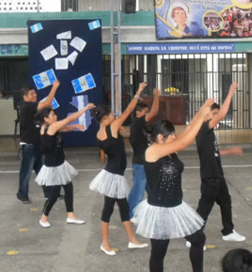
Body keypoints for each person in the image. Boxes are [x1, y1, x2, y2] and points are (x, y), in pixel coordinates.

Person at [133, 99, 215, 272]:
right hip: (159, 209)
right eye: (171, 135)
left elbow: (185, 135)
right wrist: (201, 116)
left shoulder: (169, 149)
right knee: (159, 251)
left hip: (176, 206)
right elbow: (184, 142)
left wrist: (199, 113)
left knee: (198, 239)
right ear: (161, 137)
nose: (175, 137)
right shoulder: (153, 151)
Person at [89, 82, 149, 256]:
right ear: (106, 118)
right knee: (108, 209)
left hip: (112, 173)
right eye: (112, 114)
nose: (115, 116)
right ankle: (105, 243)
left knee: (123, 207)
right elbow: (129, 109)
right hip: (114, 176)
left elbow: (114, 145)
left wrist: (119, 131)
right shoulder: (113, 127)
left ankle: (132, 240)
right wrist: (138, 91)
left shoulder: (101, 132)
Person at [193, 82, 246, 245]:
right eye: (213, 113)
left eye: (216, 113)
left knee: (226, 201)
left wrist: (231, 151)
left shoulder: (208, 133)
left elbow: (213, 153)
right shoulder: (203, 128)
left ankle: (228, 231)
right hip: (210, 177)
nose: (216, 116)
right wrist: (230, 93)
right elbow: (222, 114)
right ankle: (193, 237)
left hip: (218, 175)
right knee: (204, 208)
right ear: (206, 114)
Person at [34, 103, 94, 228]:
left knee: (68, 188)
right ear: (46, 119)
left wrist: (76, 126)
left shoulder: (47, 126)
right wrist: (85, 109)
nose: (55, 116)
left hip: (59, 163)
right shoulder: (51, 127)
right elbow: (69, 119)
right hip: (53, 165)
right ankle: (43, 218)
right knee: (55, 193)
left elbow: (65, 128)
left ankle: (70, 215)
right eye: (52, 115)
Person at [16, 80, 60, 204]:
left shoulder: (34, 108)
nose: (34, 95)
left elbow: (46, 108)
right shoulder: (26, 107)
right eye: (31, 94)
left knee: (42, 171)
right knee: (26, 171)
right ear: (25, 97)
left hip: (38, 144)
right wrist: (54, 87)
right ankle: (22, 194)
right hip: (29, 145)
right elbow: (47, 103)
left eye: (35, 93)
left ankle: (49, 193)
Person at [128, 88, 160, 220]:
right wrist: (156, 96)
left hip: (147, 163)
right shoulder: (137, 123)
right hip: (140, 163)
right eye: (145, 112)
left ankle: (155, 212)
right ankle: (131, 215)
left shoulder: (142, 126)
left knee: (153, 190)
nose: (147, 115)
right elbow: (154, 112)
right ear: (138, 113)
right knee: (138, 192)